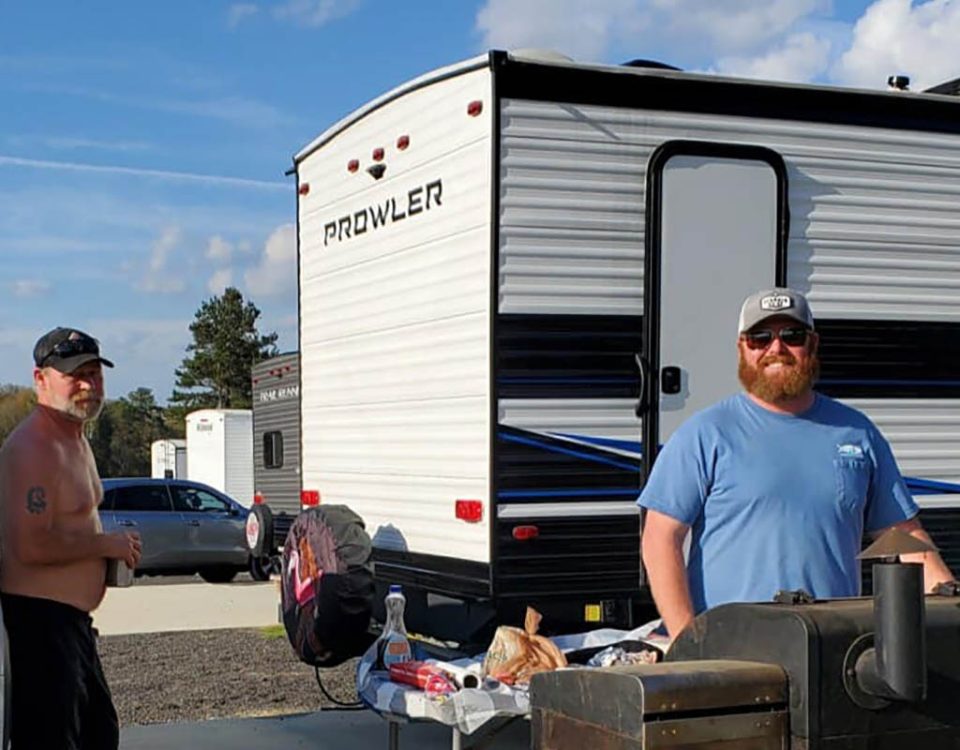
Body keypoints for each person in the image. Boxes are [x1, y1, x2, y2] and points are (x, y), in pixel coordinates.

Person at [638, 288, 955, 639]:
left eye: (792, 335)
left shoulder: (856, 433)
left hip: (832, 644)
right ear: (742, 348)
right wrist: (686, 639)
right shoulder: (706, 434)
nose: (776, 348)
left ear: (813, 344)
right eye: (761, 337)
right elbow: (660, 539)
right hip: (731, 649)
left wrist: (950, 601)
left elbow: (903, 536)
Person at [0, 327, 142, 750]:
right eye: (74, 375)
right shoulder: (33, 448)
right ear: (40, 380)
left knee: (98, 733)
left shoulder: (73, 439)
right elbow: (31, 545)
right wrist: (106, 545)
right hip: (39, 625)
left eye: (94, 374)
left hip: (71, 624)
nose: (87, 384)